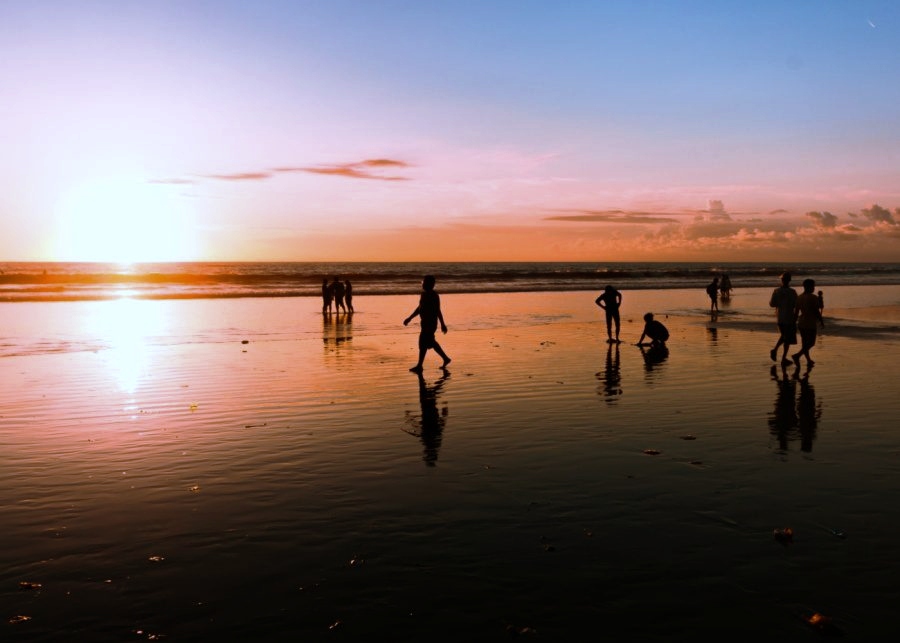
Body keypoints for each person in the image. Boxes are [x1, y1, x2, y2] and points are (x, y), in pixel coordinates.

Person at [403, 275, 451, 372]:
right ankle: (445, 359)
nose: (423, 284)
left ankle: (420, 365)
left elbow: (438, 310)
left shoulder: (434, 296)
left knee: (424, 342)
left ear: (431, 285)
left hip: (431, 323)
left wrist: (442, 324)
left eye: (425, 283)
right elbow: (419, 308)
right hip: (424, 322)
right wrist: (410, 317)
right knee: (428, 342)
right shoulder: (423, 294)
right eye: (423, 282)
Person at [769, 272, 798, 364]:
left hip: (780, 317)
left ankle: (780, 355)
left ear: (781, 280)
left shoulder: (776, 291)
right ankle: (779, 353)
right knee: (787, 338)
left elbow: (772, 304)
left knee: (784, 337)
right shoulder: (792, 292)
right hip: (789, 317)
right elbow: (795, 305)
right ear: (789, 281)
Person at [793, 278, 820, 368]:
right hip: (810, 322)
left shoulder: (799, 297)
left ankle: (808, 360)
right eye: (813, 286)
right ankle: (797, 355)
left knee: (805, 343)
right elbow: (816, 311)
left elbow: (796, 312)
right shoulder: (813, 297)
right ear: (809, 287)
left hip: (801, 322)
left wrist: (793, 322)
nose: (814, 288)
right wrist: (821, 320)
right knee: (811, 343)